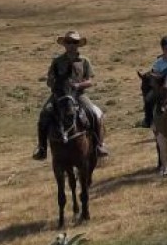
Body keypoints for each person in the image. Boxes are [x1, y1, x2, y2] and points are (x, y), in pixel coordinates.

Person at [32, 31, 109, 160]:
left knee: (95, 113)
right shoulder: (57, 61)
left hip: (79, 95)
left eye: (74, 42)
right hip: (60, 95)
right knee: (44, 114)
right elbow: (49, 80)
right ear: (65, 44)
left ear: (78, 44)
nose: (71, 45)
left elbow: (90, 81)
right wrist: (54, 83)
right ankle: (42, 148)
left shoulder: (84, 61)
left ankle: (99, 145)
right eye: (68, 42)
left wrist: (78, 86)